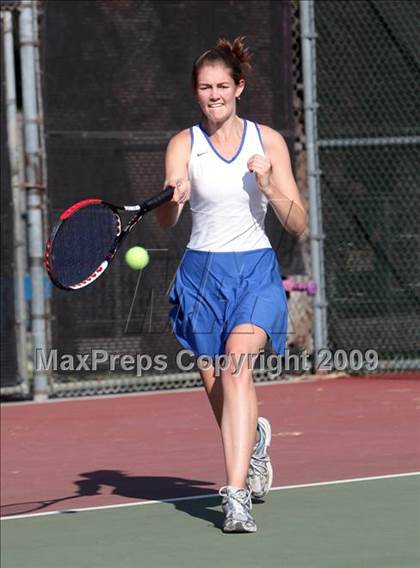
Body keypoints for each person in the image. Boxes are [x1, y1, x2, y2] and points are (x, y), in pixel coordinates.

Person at [156, 37, 306, 533]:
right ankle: (256, 440)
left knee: (237, 370)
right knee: (221, 390)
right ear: (196, 94)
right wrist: (173, 198)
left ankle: (235, 496)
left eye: (223, 85)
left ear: (239, 87)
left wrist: (268, 187)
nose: (214, 94)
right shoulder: (184, 144)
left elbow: (298, 222)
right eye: (205, 87)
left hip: (254, 273)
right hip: (200, 275)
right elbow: (167, 221)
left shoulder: (268, 143)